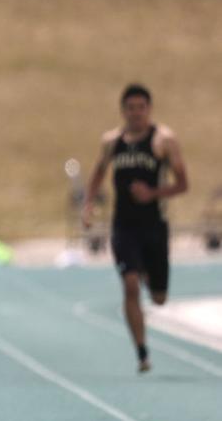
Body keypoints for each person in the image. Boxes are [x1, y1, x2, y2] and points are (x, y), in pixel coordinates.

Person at [81, 83, 189, 373]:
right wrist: (88, 205)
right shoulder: (111, 142)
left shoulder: (163, 140)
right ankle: (142, 353)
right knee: (129, 285)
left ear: (149, 109)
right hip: (124, 227)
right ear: (123, 111)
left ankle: (144, 271)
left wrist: (152, 194)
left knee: (158, 298)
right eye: (131, 108)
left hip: (154, 226)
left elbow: (182, 184)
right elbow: (97, 173)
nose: (136, 113)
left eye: (141, 108)